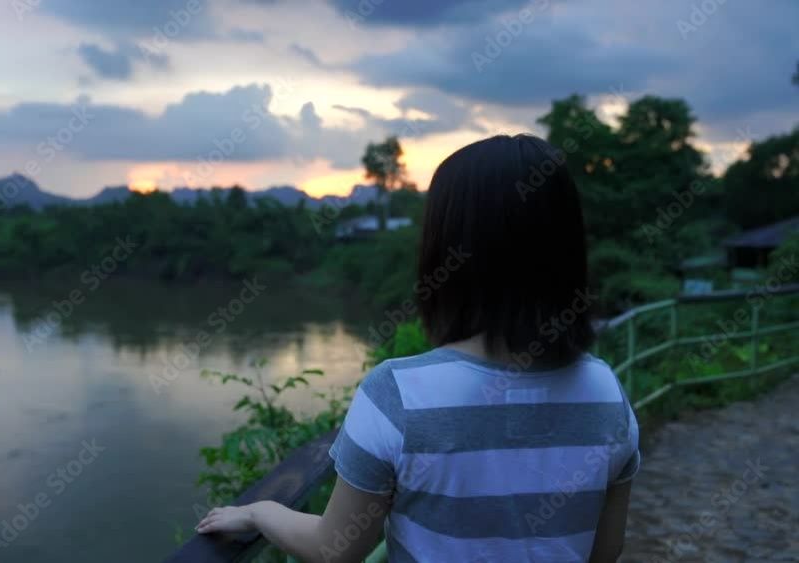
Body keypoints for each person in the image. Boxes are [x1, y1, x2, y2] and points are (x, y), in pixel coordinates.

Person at [197, 135, 640, 563]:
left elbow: (335, 548)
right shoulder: (606, 392)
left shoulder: (399, 392)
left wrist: (260, 511)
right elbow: (605, 551)